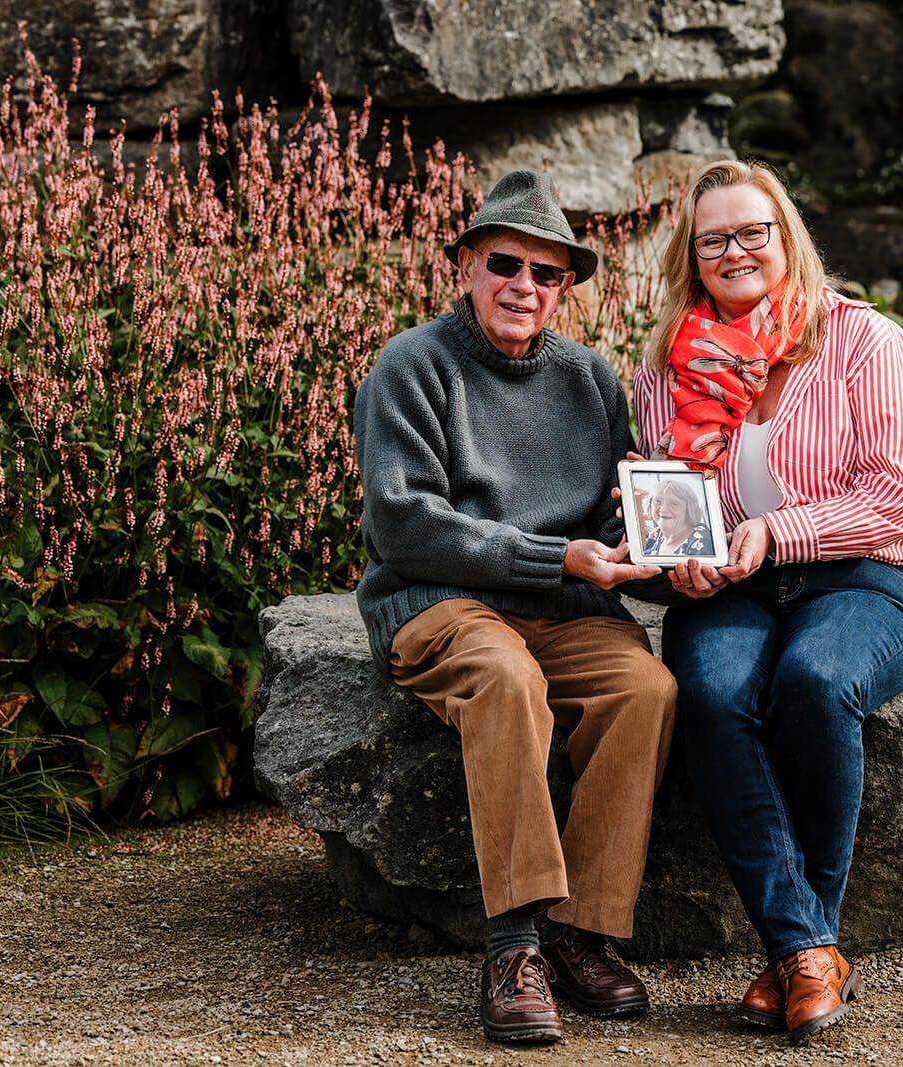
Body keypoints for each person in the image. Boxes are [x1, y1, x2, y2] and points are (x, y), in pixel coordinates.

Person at [352, 170, 676, 1045]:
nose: (525, 287)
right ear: (465, 264)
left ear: (564, 288)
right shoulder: (412, 365)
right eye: (505, 263)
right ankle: (515, 944)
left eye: (548, 274)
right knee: (504, 677)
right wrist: (551, 555)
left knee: (645, 688)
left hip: (563, 606)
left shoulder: (589, 380)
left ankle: (582, 932)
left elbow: (614, 508)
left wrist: (657, 552)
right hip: (442, 602)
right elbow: (405, 521)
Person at [633, 160, 903, 1044]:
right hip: (730, 588)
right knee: (715, 692)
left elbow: (901, 496)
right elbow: (669, 500)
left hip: (860, 579)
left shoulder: (864, 341)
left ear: (785, 235)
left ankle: (799, 944)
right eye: (713, 238)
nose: (735, 251)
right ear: (692, 257)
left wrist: (781, 530)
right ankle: (809, 950)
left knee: (812, 678)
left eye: (751, 231)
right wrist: (677, 560)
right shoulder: (664, 368)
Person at [641, 478, 714, 557]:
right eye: (658, 501)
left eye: (674, 504)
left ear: (689, 509)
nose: (663, 509)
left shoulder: (701, 540)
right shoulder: (656, 533)